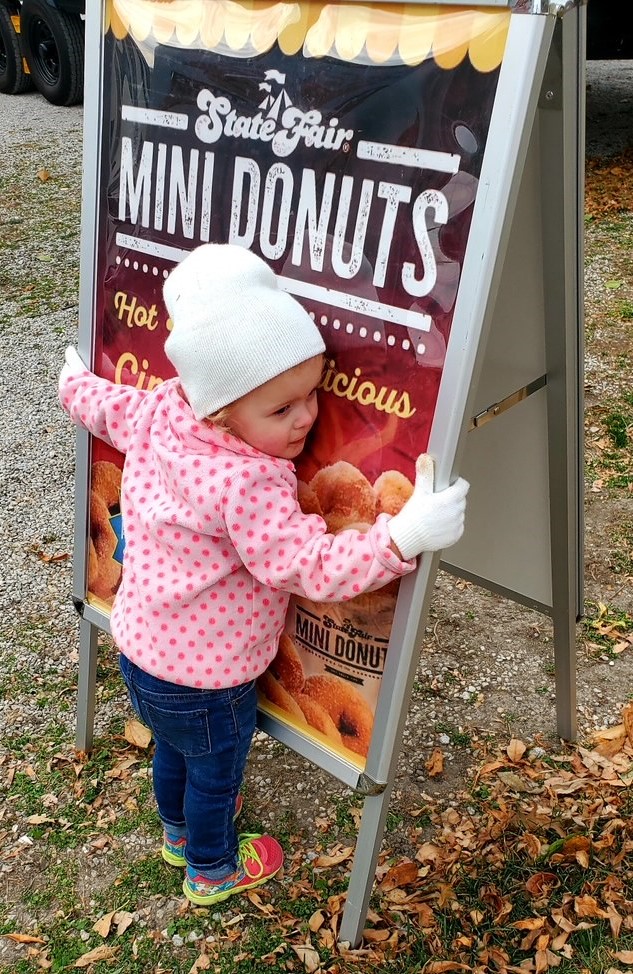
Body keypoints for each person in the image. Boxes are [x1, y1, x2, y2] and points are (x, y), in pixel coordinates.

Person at [59, 243, 468, 907]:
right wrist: (401, 537)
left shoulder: (165, 408)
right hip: (210, 682)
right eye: (281, 410)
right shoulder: (250, 482)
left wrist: (71, 380)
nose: (306, 417)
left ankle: (175, 832)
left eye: (309, 395)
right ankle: (211, 868)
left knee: (172, 753)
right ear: (220, 410)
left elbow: (107, 407)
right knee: (216, 778)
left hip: (140, 653)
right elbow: (308, 562)